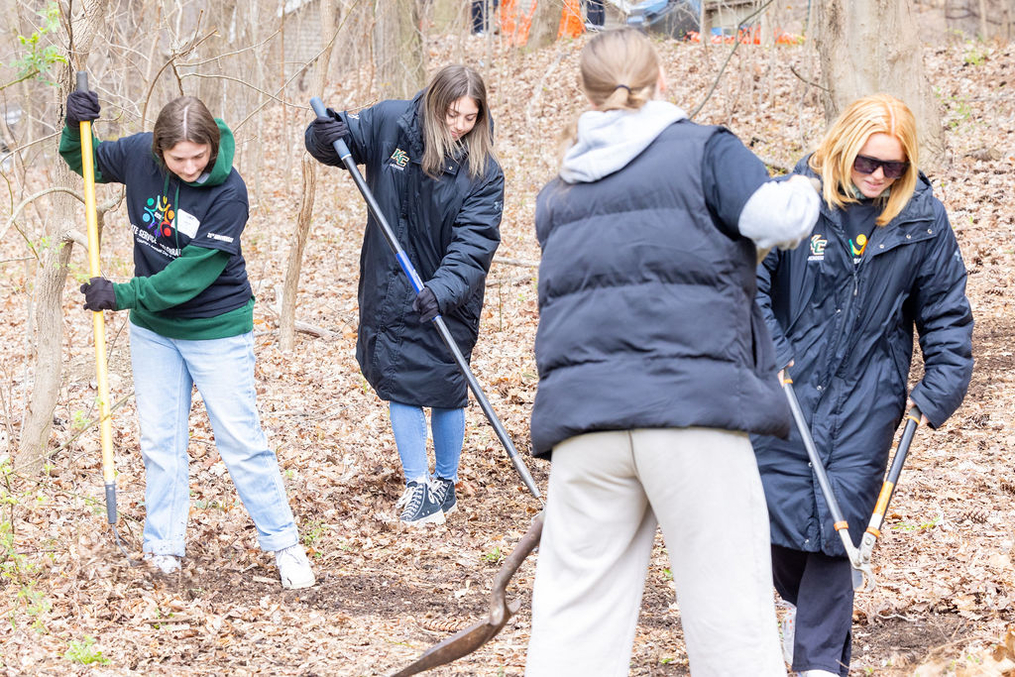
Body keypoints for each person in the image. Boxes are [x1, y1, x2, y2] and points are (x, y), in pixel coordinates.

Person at [524, 28, 820, 675]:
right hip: (691, 417)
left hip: (585, 426)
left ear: (589, 94)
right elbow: (782, 219)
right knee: (730, 617)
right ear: (662, 83)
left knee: (573, 625)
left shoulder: (559, 191)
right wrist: (809, 180)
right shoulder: (703, 150)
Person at [753, 93, 974, 676]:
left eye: (893, 167)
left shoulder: (921, 218)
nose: (878, 176)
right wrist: (771, 350)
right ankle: (802, 634)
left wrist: (941, 385)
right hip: (783, 391)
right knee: (777, 525)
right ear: (841, 151)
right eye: (867, 163)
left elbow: (946, 312)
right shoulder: (791, 199)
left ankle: (818, 664)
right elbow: (745, 283)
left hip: (866, 399)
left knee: (838, 533)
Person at [60, 92, 315, 589]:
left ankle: (285, 545)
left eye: (201, 156)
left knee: (241, 442)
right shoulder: (138, 155)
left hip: (216, 328)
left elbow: (189, 277)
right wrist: (74, 126)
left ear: (212, 146)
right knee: (161, 442)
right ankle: (163, 549)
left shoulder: (229, 192)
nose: (192, 166)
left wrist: (124, 293)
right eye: (180, 159)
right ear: (159, 150)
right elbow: (84, 161)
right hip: (155, 332)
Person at [304, 65, 504, 527]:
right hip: (391, 281)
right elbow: (338, 144)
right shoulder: (391, 123)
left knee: (447, 384)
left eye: (470, 118)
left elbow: (474, 244)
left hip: (447, 293)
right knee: (401, 380)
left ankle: (445, 485)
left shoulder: (484, 173)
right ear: (434, 104)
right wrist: (324, 131)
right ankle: (417, 485)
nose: (459, 125)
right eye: (452, 114)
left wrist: (443, 289)